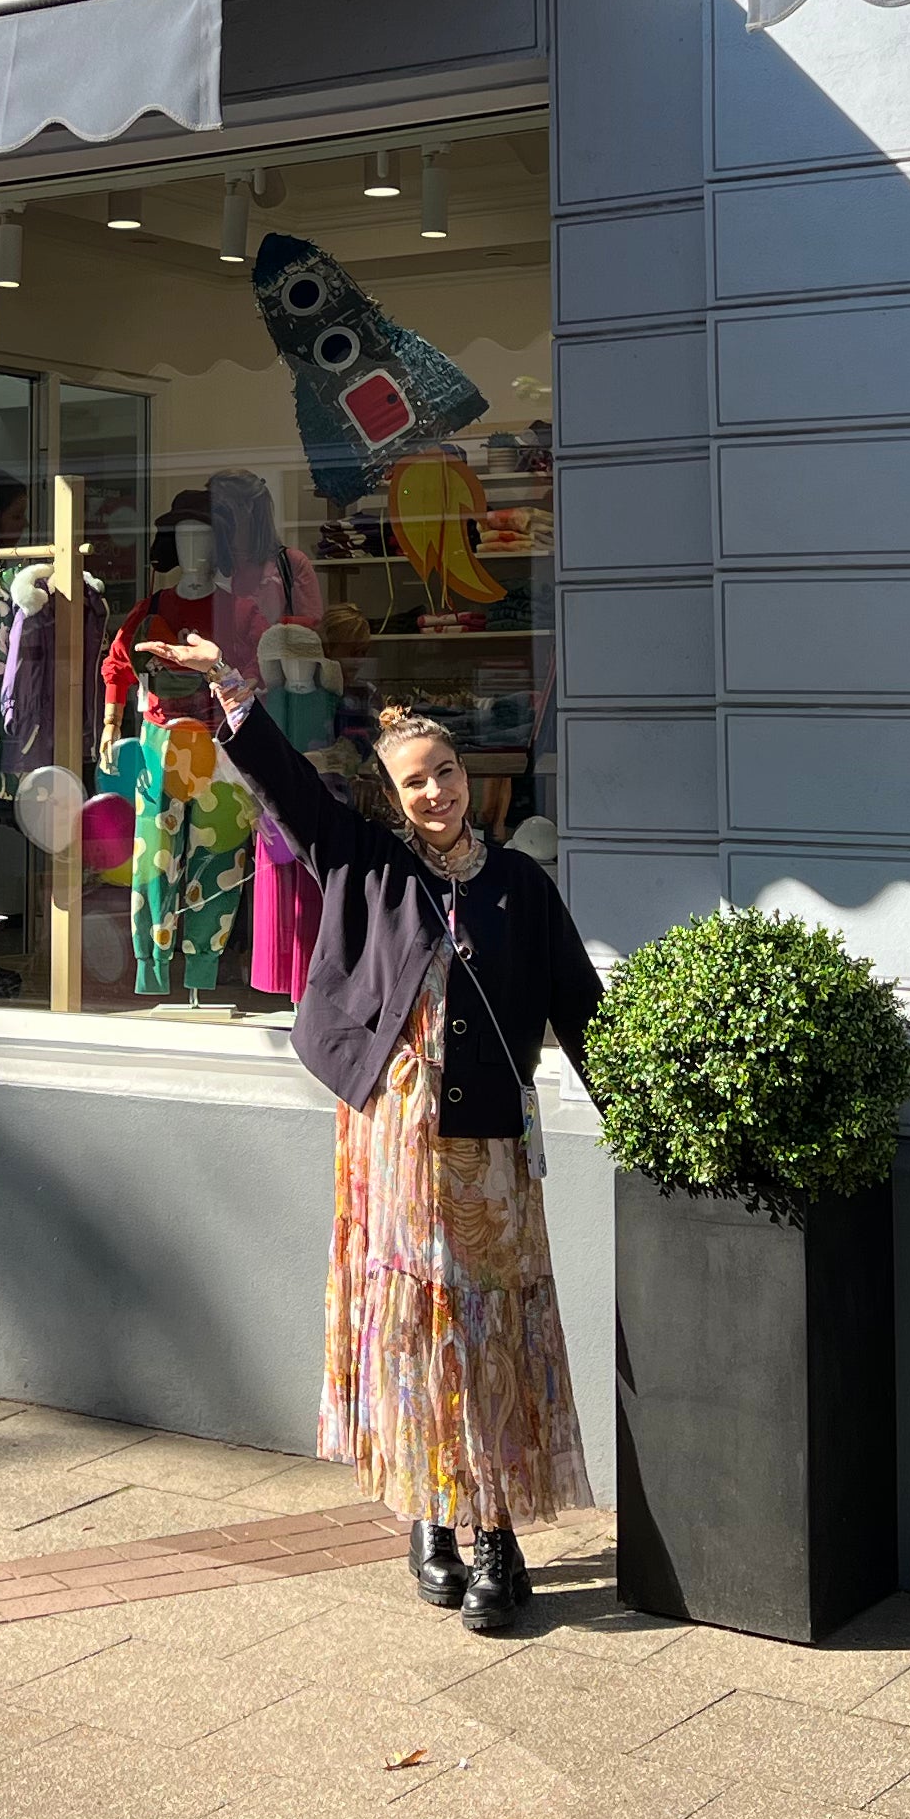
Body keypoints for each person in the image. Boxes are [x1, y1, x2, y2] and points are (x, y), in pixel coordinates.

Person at [133, 632, 600, 1634]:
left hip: (488, 1158)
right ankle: (430, 1517)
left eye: (445, 775)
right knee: (410, 1334)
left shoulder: (524, 886)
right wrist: (229, 685)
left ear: (466, 778)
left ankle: (496, 1536)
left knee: (484, 1346)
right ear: (391, 797)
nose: (434, 794)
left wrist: (651, 1121)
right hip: (390, 1141)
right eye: (415, 783)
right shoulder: (367, 860)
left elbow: (582, 1011)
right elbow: (287, 787)